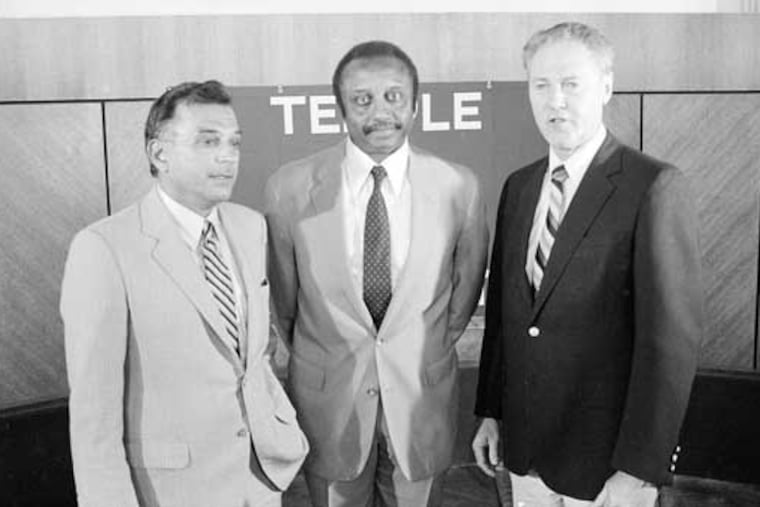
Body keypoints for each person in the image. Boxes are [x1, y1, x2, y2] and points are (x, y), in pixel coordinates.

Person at [472, 22, 703, 507]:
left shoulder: (652, 186)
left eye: (570, 83)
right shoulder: (519, 187)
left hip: (608, 467)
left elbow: (670, 345)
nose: (555, 100)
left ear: (606, 86)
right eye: (541, 85)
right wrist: (491, 411)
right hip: (526, 454)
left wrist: (640, 467)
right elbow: (507, 318)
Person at [60, 80, 308, 507]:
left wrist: (280, 427)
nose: (228, 156)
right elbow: (93, 418)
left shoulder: (250, 227)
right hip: (171, 492)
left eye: (234, 142)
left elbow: (250, 357)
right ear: (160, 154)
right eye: (208, 141)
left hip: (262, 481)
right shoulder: (103, 248)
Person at [265, 40, 488, 507]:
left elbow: (464, 293)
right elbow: (286, 306)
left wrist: (418, 349)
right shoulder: (289, 187)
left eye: (393, 96)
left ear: (415, 104)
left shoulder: (458, 186)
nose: (380, 112)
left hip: (421, 401)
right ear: (341, 109)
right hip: (330, 404)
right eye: (362, 99)